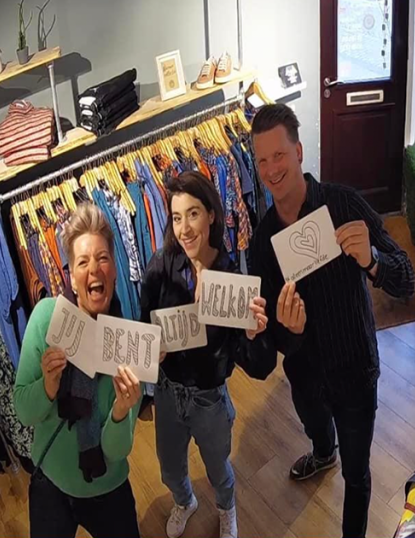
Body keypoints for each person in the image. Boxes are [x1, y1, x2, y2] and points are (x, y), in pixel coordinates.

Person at [249, 103, 415, 537]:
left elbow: (407, 280)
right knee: (317, 431)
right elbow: (273, 343)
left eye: (279, 155)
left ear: (299, 152)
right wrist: (286, 331)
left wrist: (373, 260)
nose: (271, 169)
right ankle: (324, 453)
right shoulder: (262, 243)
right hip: (305, 376)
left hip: (355, 370)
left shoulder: (343, 203)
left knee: (357, 475)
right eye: (262, 160)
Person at [139, 171, 275, 538]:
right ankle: (185, 501)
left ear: (212, 215)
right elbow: (144, 325)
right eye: (176, 217)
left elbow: (260, 366)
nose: (184, 228)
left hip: (209, 399)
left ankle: (227, 509)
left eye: (193, 214)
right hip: (168, 392)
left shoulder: (231, 279)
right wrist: (154, 350)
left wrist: (252, 334)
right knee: (169, 467)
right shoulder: (161, 266)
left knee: (218, 468)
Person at [14, 204, 143, 538]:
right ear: (71, 276)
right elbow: (23, 411)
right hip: (51, 484)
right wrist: (48, 385)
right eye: (82, 262)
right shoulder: (46, 318)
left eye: (102, 258)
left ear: (114, 270)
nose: (94, 270)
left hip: (108, 489)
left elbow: (116, 452)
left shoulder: (127, 342)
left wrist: (121, 410)